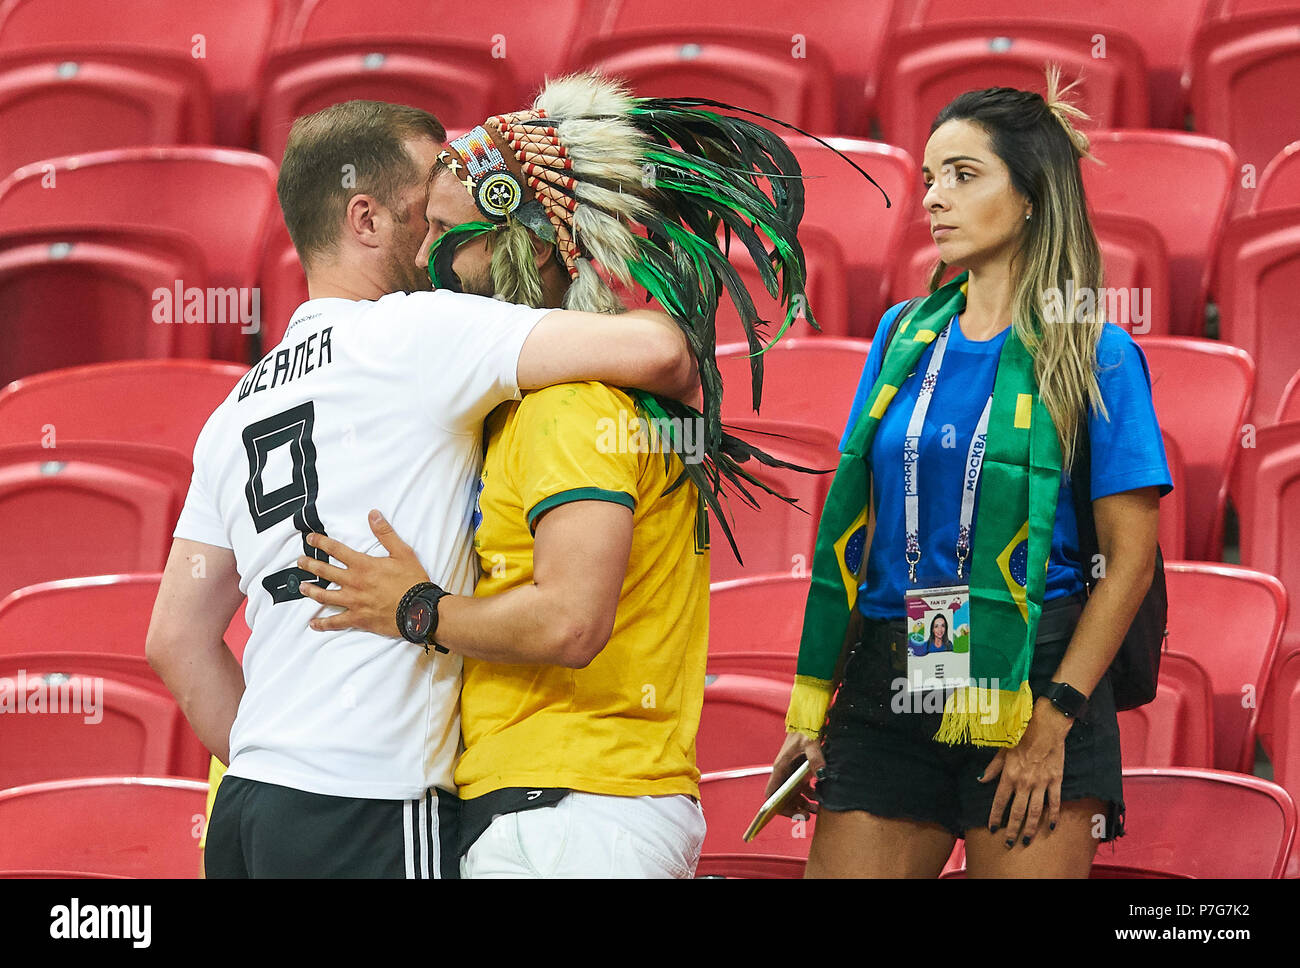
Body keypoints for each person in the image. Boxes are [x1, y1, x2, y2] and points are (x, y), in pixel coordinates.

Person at [282, 73, 822, 877]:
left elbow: (571, 621)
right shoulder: (551, 397)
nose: (433, 261)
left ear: (526, 242)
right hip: (564, 806)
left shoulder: (571, 405)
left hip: (569, 811)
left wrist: (415, 608)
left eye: (450, 234)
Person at [145, 98, 701, 879]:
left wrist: (279, 764)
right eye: (423, 215)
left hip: (246, 809)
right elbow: (661, 351)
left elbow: (173, 640)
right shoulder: (419, 331)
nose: (439, 236)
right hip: (369, 798)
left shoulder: (234, 408)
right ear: (366, 220)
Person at [767, 66, 1173, 878]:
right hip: (897, 664)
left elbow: (1128, 560)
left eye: (962, 175)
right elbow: (865, 524)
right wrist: (814, 711)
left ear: (1031, 196)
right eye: (928, 179)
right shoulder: (901, 334)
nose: (933, 200)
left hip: (1037, 675)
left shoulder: (1094, 348)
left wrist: (1056, 717)